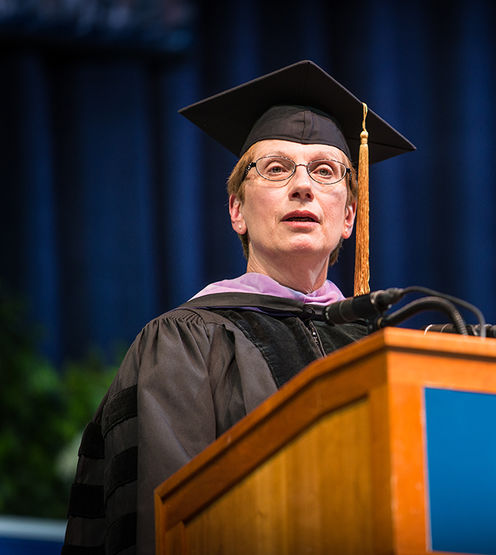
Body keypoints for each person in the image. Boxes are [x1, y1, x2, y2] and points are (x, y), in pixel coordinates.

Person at [61, 60, 414, 555]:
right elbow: (163, 523)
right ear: (237, 211)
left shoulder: (385, 351)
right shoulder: (185, 342)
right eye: (275, 168)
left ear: (350, 216)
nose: (303, 185)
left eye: (326, 170)